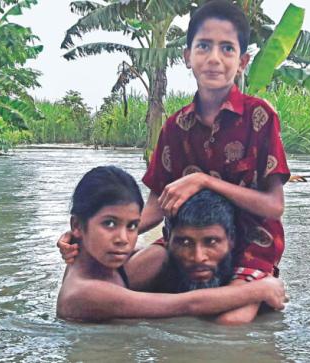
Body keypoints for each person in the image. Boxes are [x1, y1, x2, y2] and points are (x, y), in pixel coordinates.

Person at [60, 0, 291, 324]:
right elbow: (157, 208)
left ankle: (260, 286)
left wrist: (206, 181)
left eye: (226, 49)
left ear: (242, 61)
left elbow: (274, 206)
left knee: (229, 325)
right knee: (115, 279)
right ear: (187, 56)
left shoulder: (260, 117)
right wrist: (86, 237)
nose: (214, 58)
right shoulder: (174, 127)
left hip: (251, 246)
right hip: (181, 240)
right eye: (204, 46)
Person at [57, 166, 286, 322]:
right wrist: (260, 289)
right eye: (109, 223)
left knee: (159, 258)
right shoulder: (84, 293)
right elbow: (186, 305)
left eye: (132, 226)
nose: (122, 239)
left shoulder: (88, 254)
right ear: (77, 225)